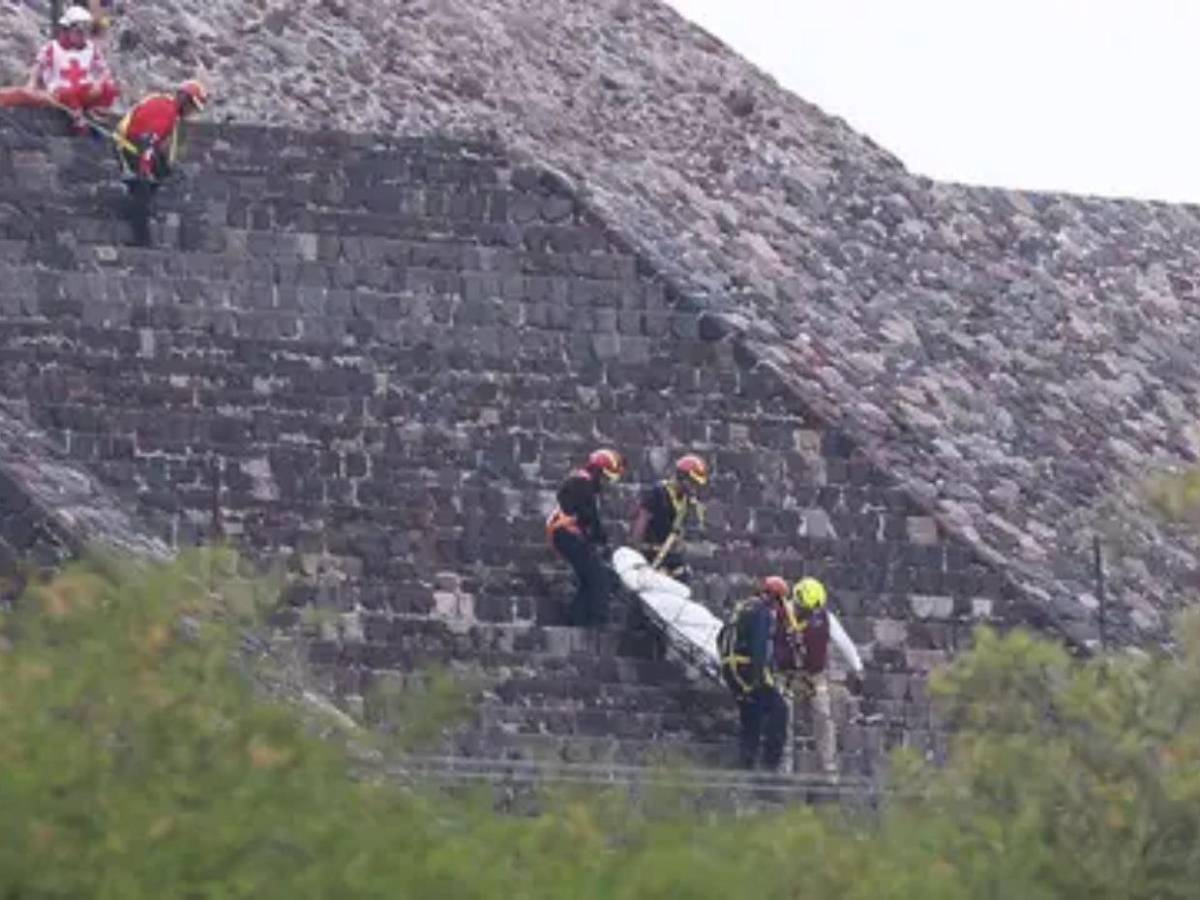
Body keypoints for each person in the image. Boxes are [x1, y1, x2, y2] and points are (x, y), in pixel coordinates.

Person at [782, 576, 865, 778]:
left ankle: (829, 771)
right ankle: (784, 767)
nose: (809, 614)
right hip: (787, 675)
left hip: (815, 676)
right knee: (784, 716)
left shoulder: (826, 618)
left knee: (824, 716)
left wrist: (858, 667)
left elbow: (844, 643)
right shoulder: (782, 615)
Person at [113, 80, 209, 246]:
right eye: (192, 105)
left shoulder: (162, 103)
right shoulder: (167, 111)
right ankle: (141, 239)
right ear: (184, 99)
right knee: (142, 194)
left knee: (159, 176)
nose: (191, 111)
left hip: (135, 147)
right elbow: (148, 140)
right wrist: (145, 170)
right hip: (132, 149)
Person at [0, 5, 119, 133]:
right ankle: (78, 120)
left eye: (85, 32)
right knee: (66, 93)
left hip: (84, 90)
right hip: (60, 93)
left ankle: (96, 112)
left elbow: (104, 70)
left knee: (110, 88)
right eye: (78, 32)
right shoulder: (52, 47)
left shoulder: (91, 48)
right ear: (67, 30)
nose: (83, 36)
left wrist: (99, 83)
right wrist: (31, 84)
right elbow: (38, 67)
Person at [718, 576, 792, 771]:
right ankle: (770, 765)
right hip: (748, 671)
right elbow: (759, 645)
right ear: (776, 598)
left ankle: (746, 765)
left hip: (730, 670)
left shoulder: (741, 607)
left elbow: (721, 636)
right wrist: (758, 677)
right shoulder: (762, 611)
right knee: (779, 710)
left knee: (751, 716)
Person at [546, 448, 625, 627]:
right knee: (600, 578)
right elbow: (590, 517)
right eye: (606, 478)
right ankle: (596, 622)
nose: (607, 483)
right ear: (597, 472)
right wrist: (601, 540)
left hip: (569, 536)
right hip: (567, 534)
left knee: (589, 579)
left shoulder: (583, 483)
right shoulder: (582, 484)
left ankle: (577, 620)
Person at [628, 453, 709, 582]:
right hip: (650, 554)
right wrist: (635, 554)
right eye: (692, 483)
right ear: (682, 477)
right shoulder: (658, 493)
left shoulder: (687, 500)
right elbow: (641, 522)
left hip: (672, 556)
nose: (694, 488)